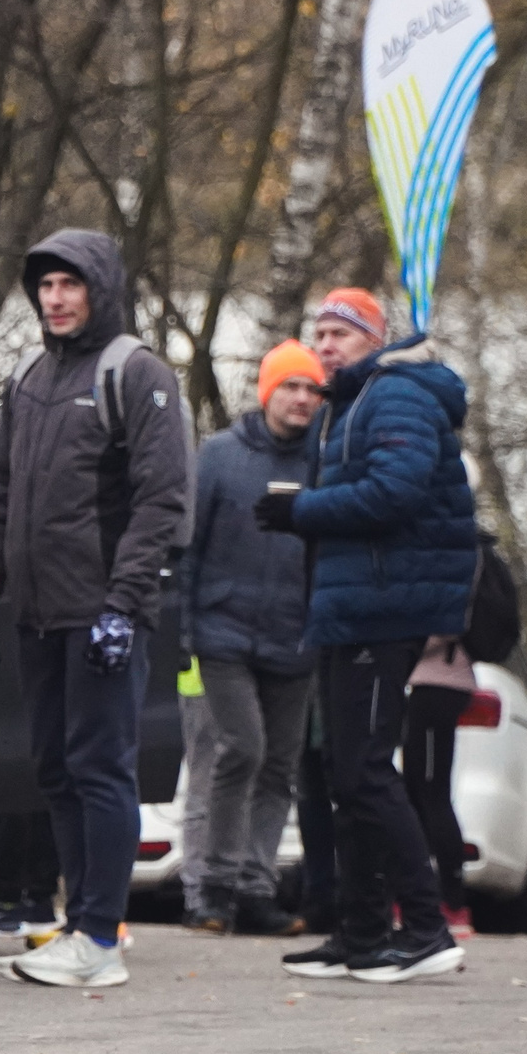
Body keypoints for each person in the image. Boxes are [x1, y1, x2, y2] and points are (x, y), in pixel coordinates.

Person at [0, 229, 188, 990]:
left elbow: (162, 500)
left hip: (103, 612)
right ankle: (77, 928)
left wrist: (124, 605)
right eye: (46, 286)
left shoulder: (135, 374)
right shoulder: (28, 375)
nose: (56, 299)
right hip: (36, 613)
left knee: (102, 768)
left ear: (100, 288)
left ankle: (101, 933)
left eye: (71, 284)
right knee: (56, 769)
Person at [258, 287, 476, 984]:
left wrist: (302, 510)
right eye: (318, 331)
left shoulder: (397, 393)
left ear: (375, 338)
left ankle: (425, 926)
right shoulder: (351, 402)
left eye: (340, 333)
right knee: (342, 777)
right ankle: (359, 934)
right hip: (354, 606)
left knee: (366, 772)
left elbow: (397, 491)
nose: (325, 345)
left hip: (386, 608)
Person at [178, 339, 322, 935]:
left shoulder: (324, 464)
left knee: (279, 765)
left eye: (313, 389)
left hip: (295, 639)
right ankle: (213, 886)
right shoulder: (218, 455)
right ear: (267, 391)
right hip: (223, 633)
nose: (302, 399)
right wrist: (184, 625)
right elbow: (189, 545)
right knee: (242, 748)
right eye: (291, 386)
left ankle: (255, 890)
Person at [402, 632, 477, 933]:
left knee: (432, 794)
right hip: (434, 684)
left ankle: (453, 905)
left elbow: (447, 624)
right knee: (416, 791)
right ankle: (419, 897)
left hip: (440, 684)